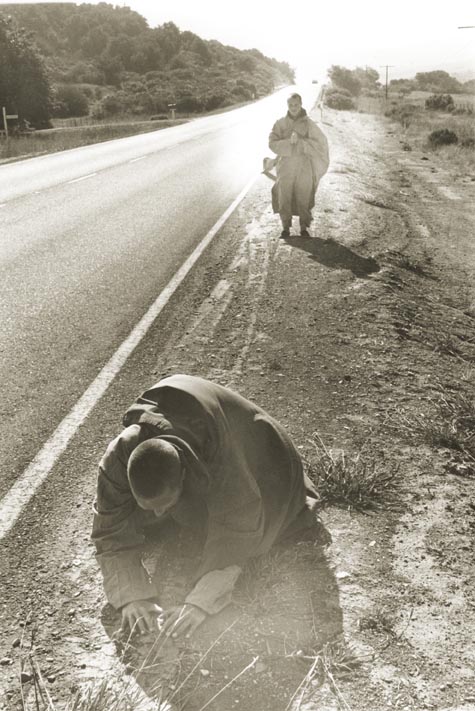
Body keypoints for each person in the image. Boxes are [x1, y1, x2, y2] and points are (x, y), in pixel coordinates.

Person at [92, 374, 328, 639]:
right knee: (150, 521)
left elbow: (237, 536)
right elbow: (108, 529)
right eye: (149, 505)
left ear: (184, 474)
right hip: (194, 436)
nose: (157, 514)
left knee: (265, 534)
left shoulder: (226, 465)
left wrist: (199, 603)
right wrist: (131, 595)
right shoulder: (119, 456)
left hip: (263, 455)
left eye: (165, 504)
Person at [269, 92, 329, 239]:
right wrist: (289, 143)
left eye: (296, 105)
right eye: (291, 105)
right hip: (286, 165)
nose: (293, 107)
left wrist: (303, 143)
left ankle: (304, 228)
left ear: (301, 104)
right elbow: (272, 143)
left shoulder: (309, 124)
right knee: (284, 196)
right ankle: (285, 228)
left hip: (304, 165)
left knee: (304, 195)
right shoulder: (280, 123)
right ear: (287, 105)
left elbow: (321, 143)